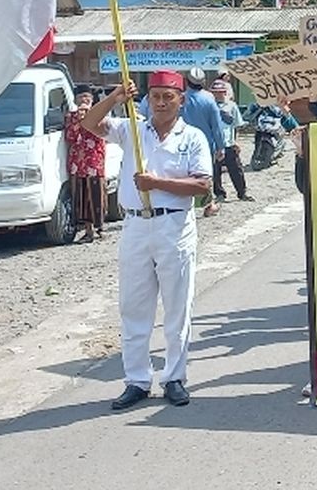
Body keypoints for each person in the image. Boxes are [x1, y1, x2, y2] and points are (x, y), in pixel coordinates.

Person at [82, 70, 213, 409]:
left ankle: (174, 377)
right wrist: (113, 98)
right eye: (155, 95)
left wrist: (157, 184)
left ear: (181, 100)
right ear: (147, 99)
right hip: (136, 226)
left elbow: (202, 186)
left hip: (174, 226)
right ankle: (137, 380)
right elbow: (89, 125)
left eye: (168, 96)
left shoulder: (192, 137)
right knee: (134, 307)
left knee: (176, 308)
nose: (161, 102)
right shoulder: (133, 131)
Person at [180, 68, 227, 216]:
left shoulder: (181, 98)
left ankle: (185, 204)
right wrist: (221, 146)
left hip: (182, 142)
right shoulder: (209, 99)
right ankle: (209, 205)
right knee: (205, 175)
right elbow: (217, 126)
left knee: (184, 174)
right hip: (205, 145)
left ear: (187, 82)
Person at [64, 84, 107, 243]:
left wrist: (89, 117)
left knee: (97, 194)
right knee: (82, 198)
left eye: (87, 98)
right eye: (81, 98)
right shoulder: (70, 116)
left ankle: (100, 228)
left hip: (94, 161)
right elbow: (70, 136)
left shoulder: (99, 114)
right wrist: (78, 120)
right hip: (78, 163)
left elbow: (101, 133)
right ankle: (88, 230)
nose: (84, 100)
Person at [210, 80, 252, 203]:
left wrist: (236, 142)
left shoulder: (232, 106)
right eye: (216, 93)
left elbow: (236, 125)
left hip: (229, 143)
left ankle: (242, 192)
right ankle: (219, 193)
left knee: (236, 169)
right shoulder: (210, 106)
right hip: (215, 144)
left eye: (221, 92)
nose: (218, 95)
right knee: (215, 171)